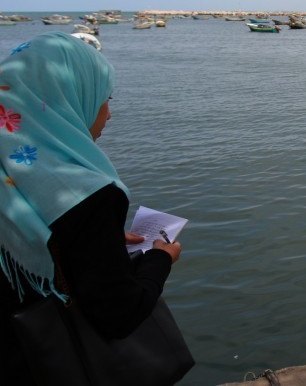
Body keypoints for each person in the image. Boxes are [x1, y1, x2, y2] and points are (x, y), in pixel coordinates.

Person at [0, 32, 185, 383]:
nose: (108, 114)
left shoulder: (11, 175)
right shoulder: (87, 193)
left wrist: (99, 239)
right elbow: (120, 314)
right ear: (68, 99)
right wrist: (160, 259)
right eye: (104, 99)